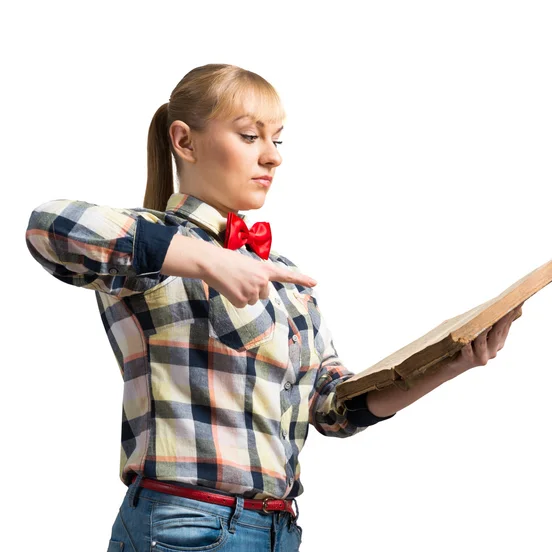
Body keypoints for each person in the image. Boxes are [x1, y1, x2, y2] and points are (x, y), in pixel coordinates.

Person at [25, 63, 523, 552]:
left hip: (277, 531)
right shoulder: (153, 247)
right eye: (250, 137)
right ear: (184, 140)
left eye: (277, 139)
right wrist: (209, 261)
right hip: (187, 525)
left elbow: (332, 409)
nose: (273, 158)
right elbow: (49, 226)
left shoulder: (280, 275)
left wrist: (450, 363)